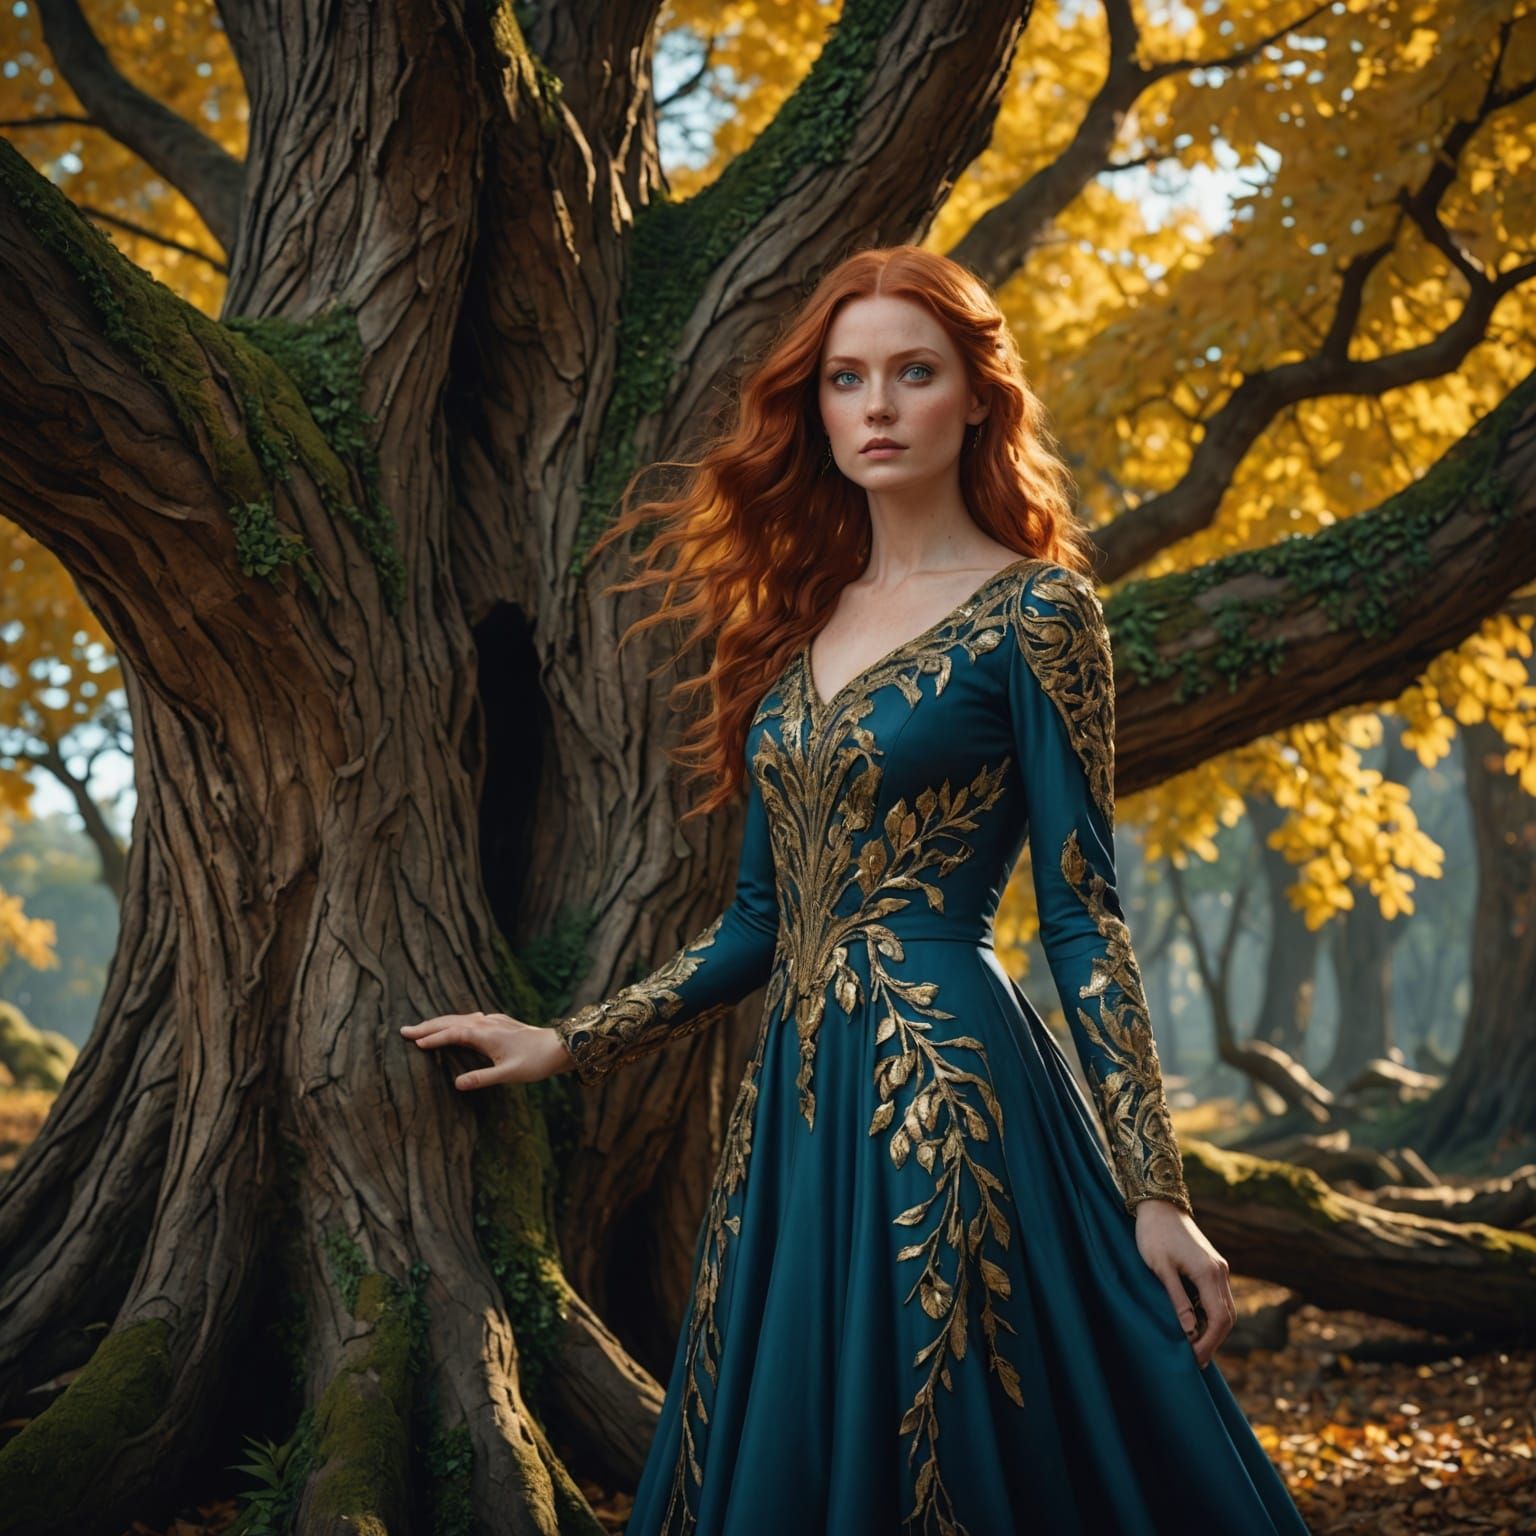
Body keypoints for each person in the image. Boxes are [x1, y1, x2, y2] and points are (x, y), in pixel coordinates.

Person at [401, 245, 1311, 1535]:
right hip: (794, 1108)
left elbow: (1081, 912)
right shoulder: (794, 628)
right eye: (846, 378)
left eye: (914, 373)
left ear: (978, 399)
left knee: (953, 1429)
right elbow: (759, 926)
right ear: (817, 406)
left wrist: (1157, 1189)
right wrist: (566, 1041)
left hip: (953, 1086)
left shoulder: (1039, 615)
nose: (877, 405)